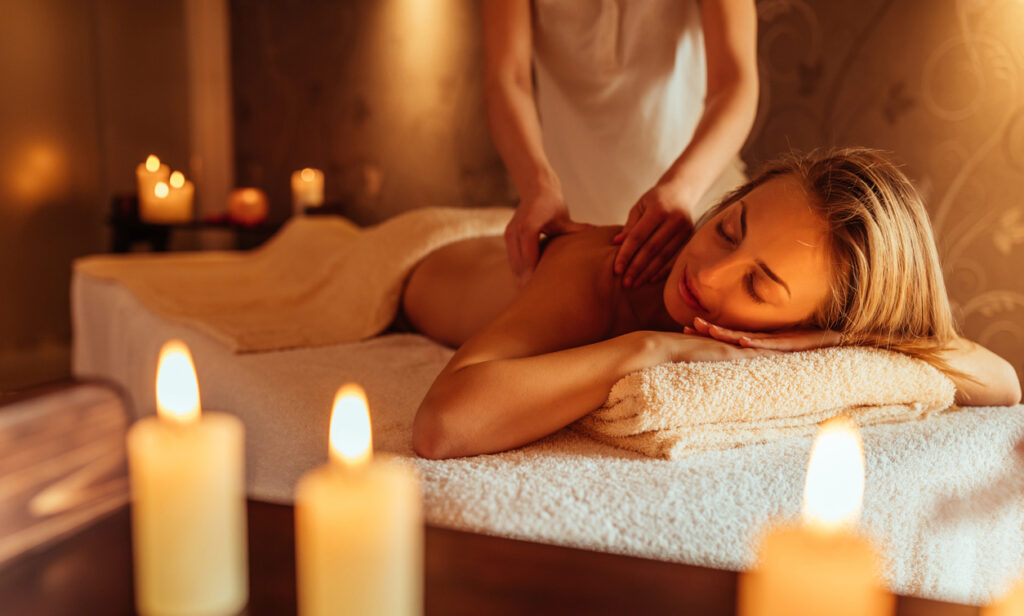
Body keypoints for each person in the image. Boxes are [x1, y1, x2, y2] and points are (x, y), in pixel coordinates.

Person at [403, 148, 1022, 459]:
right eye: (728, 228)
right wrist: (651, 348)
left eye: (759, 286)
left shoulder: (816, 330)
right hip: (427, 255)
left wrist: (843, 341)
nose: (710, 271)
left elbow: (1002, 382)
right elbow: (442, 426)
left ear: (807, 322)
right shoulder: (604, 274)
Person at [482, 0, 758, 289]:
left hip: (702, 210)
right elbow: (508, 78)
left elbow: (733, 82)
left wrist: (681, 189)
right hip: (570, 225)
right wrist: (536, 187)